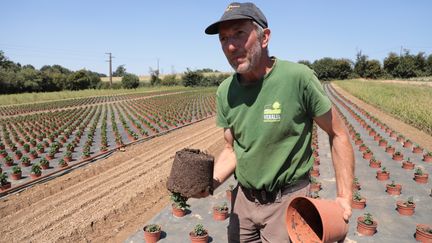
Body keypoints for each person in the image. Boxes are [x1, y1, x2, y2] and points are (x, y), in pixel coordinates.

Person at [199, 2, 354, 242]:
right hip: (243, 203)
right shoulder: (225, 91)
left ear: (264, 37)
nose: (230, 46)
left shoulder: (297, 78)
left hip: (288, 202)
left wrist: (344, 196)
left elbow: (338, 133)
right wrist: (211, 183)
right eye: (223, 39)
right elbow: (231, 149)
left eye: (239, 33)